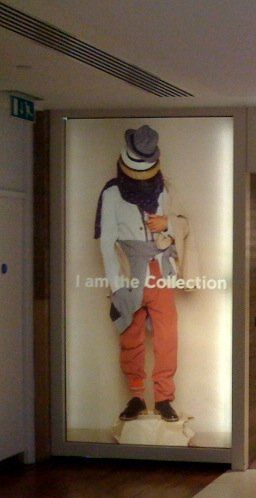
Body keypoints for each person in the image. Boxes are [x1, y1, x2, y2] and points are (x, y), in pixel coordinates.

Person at [93, 125, 191, 423]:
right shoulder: (112, 192)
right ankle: (135, 396)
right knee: (130, 337)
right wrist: (117, 286)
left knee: (167, 338)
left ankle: (163, 398)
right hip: (128, 272)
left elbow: (183, 222)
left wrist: (167, 224)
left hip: (160, 268)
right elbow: (107, 241)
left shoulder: (165, 188)